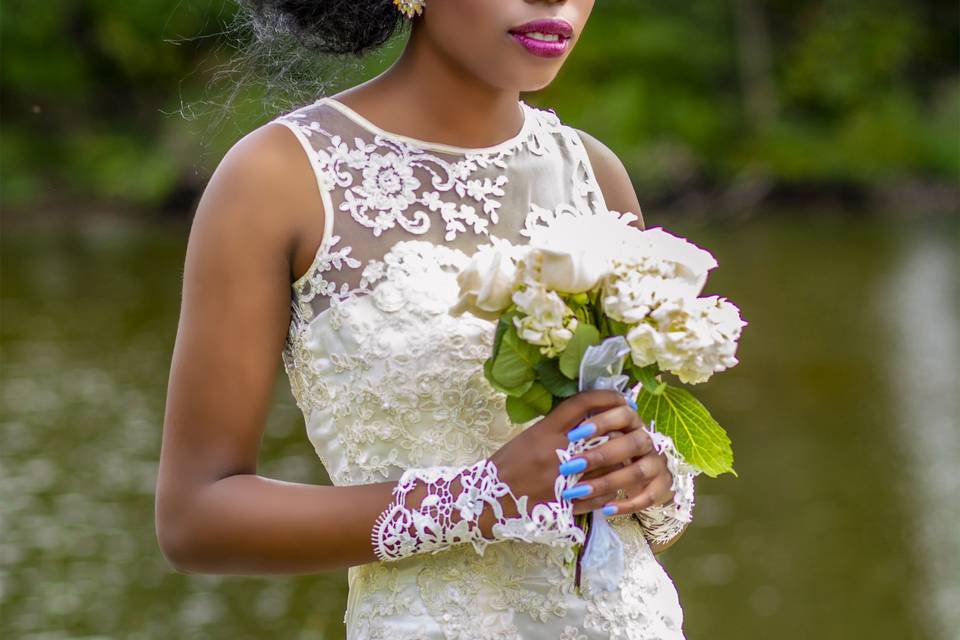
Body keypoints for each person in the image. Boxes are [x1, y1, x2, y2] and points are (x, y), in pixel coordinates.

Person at [156, 1, 697, 637]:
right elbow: (196, 521)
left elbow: (633, 487)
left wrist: (653, 473)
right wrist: (483, 496)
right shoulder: (277, 178)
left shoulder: (594, 174)